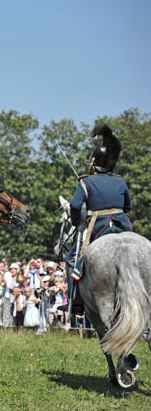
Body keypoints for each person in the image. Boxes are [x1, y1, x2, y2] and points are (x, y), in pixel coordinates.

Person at [61, 125, 132, 315]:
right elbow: (128, 207)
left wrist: (77, 222)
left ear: (95, 162)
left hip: (97, 227)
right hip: (122, 226)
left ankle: (76, 302)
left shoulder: (87, 182)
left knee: (70, 260)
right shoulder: (121, 182)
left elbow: (75, 205)